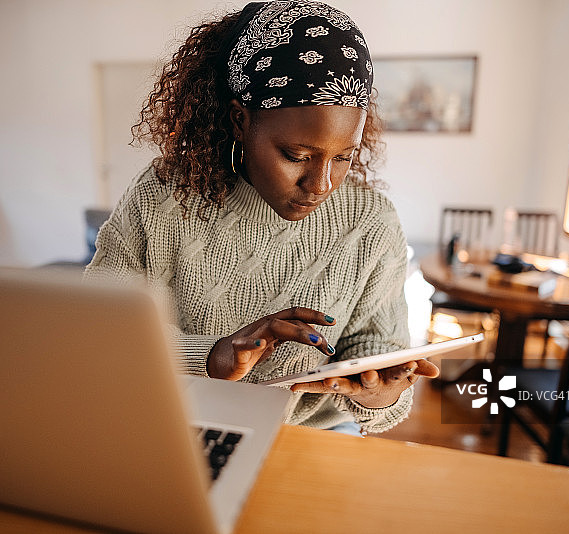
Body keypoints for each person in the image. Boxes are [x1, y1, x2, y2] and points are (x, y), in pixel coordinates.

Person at [85, 0, 439, 435]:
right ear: (240, 120)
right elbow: (97, 331)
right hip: (178, 419)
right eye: (297, 156)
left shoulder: (371, 221)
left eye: (343, 157)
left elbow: (377, 346)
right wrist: (211, 357)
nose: (321, 184)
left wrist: (378, 393)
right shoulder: (165, 196)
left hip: (311, 433)